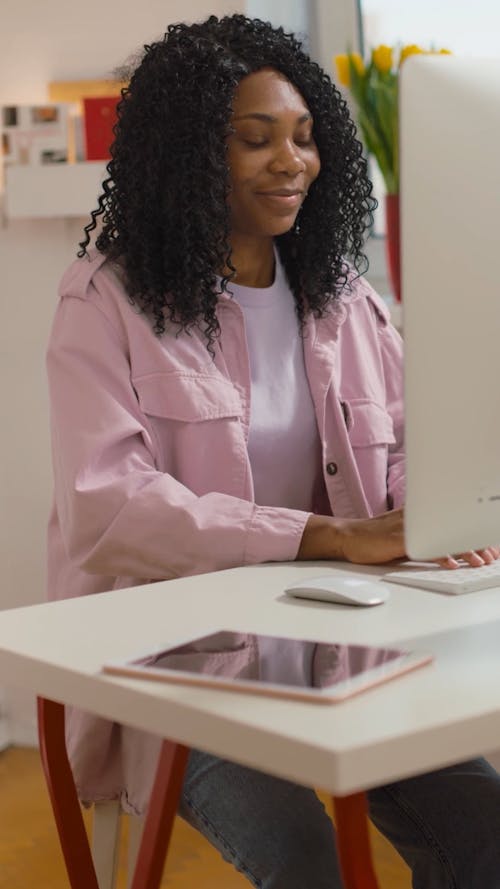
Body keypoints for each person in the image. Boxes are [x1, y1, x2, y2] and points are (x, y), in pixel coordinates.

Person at [46, 14, 500, 889]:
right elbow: (108, 505)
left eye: (304, 137)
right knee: (307, 862)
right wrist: (325, 535)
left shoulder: (341, 296)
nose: (291, 161)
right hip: (181, 666)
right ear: (188, 155)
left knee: (487, 829)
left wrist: (436, 514)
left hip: (342, 641)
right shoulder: (105, 302)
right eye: (256, 140)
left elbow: (404, 446)